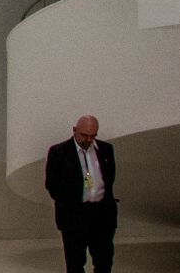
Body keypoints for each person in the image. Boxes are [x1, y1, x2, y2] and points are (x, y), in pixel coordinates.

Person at [44, 115, 117, 273]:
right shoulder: (59, 152)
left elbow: (109, 178)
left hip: (101, 215)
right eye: (84, 135)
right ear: (75, 130)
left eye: (92, 136)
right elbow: (51, 184)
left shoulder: (106, 150)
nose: (88, 139)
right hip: (74, 216)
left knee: (104, 261)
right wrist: (69, 203)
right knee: (75, 263)